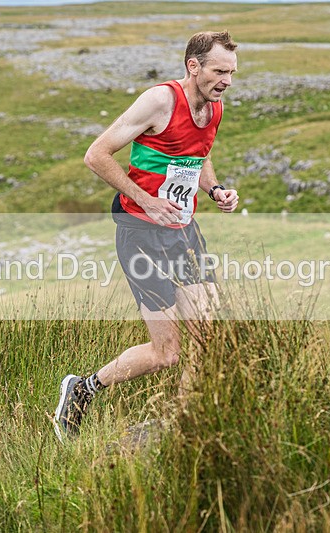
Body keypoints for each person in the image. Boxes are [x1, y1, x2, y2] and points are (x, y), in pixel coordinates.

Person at [53, 31, 239, 442]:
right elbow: (96, 154)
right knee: (166, 353)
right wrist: (146, 200)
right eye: (220, 71)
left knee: (209, 338)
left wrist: (215, 190)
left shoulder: (214, 107)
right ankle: (82, 390)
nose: (227, 80)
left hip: (184, 232)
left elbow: (199, 155)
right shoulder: (160, 101)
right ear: (194, 66)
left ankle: (187, 428)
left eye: (231, 73)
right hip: (140, 233)